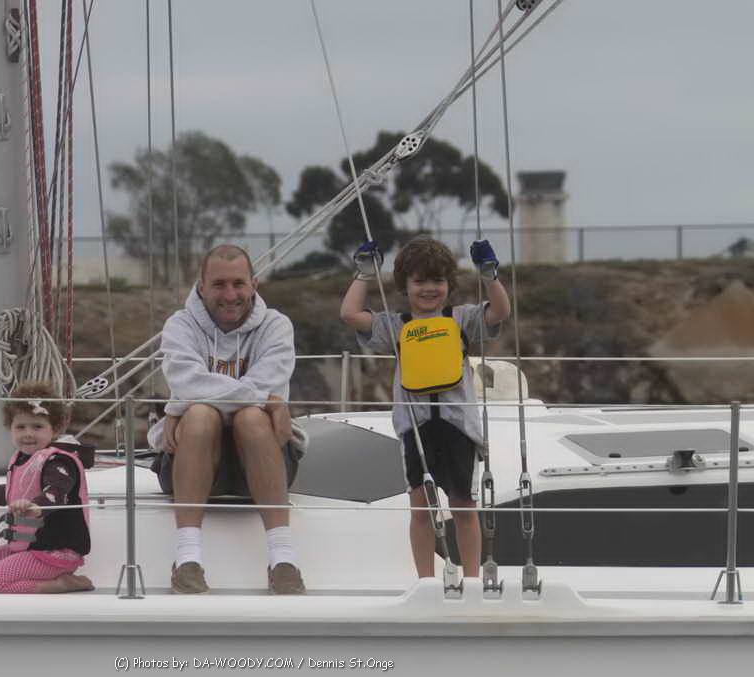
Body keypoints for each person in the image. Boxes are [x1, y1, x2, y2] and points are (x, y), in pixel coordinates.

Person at [340, 235, 510, 578]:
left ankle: (472, 579)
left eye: (437, 280)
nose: (429, 289)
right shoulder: (395, 326)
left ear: (449, 284)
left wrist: (489, 275)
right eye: (419, 281)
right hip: (415, 428)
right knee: (421, 509)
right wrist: (364, 274)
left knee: (464, 507)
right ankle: (425, 581)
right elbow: (350, 314)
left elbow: (500, 312)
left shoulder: (462, 318)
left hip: (458, 427)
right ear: (405, 285)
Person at [147, 243, 308, 595]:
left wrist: (179, 405)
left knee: (249, 419)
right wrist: (270, 403)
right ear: (201, 286)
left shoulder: (276, 326)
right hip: (193, 460)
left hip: (263, 461)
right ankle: (187, 558)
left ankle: (283, 558)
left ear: (254, 284)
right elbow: (188, 381)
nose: (230, 295)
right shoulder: (180, 326)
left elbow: (261, 382)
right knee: (202, 416)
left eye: (238, 284)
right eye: (219, 284)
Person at [0, 381, 94, 594]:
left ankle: (62, 584)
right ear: (10, 428)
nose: (28, 434)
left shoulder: (58, 463)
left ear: (55, 429)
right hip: (31, 544)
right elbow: (14, 491)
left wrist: (35, 506)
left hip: (54, 549)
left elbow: (56, 492)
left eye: (37, 427)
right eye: (20, 427)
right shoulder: (23, 458)